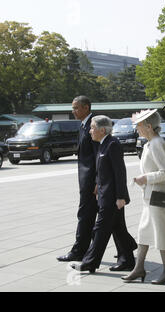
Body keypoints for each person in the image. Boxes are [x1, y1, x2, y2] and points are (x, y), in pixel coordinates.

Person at [71, 115, 137, 273]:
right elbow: (102, 170)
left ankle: (89, 262)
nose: (90, 131)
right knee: (118, 229)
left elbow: (120, 172)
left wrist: (121, 197)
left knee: (99, 230)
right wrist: (96, 185)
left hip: (112, 197)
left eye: (92, 128)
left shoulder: (112, 144)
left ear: (102, 130)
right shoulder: (102, 143)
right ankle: (128, 257)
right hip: (104, 195)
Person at [122, 109, 165, 284]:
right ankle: (139, 268)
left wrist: (145, 178)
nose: (137, 129)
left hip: (158, 196)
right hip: (150, 196)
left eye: (139, 125)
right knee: (143, 232)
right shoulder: (149, 144)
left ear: (149, 126)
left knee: (161, 234)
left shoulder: (157, 143)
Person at [57, 96, 100, 262]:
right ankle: (125, 248)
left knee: (85, 215)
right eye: (72, 107)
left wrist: (97, 180)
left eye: (76, 108)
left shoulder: (93, 126)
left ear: (86, 108)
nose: (73, 111)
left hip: (91, 181)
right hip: (85, 179)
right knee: (102, 218)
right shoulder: (83, 125)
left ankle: (78, 251)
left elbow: (98, 155)